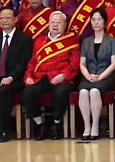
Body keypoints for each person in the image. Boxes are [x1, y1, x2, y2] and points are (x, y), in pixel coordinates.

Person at [0, 9, 33, 143]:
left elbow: (24, 63)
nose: (4, 21)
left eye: (8, 18)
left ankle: (5, 130)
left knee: (4, 91)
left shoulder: (25, 40)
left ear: (15, 19)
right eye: (2, 18)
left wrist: (11, 77)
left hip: (15, 79)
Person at [23, 11, 78, 140]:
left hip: (61, 78)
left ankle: (56, 125)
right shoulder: (40, 41)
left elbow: (75, 63)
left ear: (65, 25)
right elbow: (33, 62)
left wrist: (63, 75)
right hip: (41, 77)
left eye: (59, 22)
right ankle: (40, 125)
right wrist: (28, 76)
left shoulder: (70, 40)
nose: (55, 25)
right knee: (28, 93)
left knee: (61, 92)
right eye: (53, 22)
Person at [77, 8, 115, 141]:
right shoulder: (86, 41)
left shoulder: (111, 41)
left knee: (94, 91)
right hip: (88, 76)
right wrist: (88, 75)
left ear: (104, 22)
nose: (96, 23)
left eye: (99, 20)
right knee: (83, 92)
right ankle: (87, 126)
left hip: (106, 77)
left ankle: (95, 126)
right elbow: (82, 63)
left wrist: (100, 77)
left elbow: (114, 64)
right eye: (93, 20)